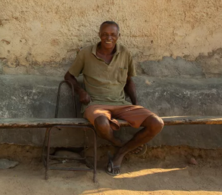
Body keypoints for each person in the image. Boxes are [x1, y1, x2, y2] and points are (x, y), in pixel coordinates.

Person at [63, 21, 164, 176]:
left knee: (157, 123)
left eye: (112, 35)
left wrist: (136, 105)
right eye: (104, 34)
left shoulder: (125, 54)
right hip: (95, 105)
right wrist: (80, 91)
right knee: (102, 124)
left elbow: (129, 81)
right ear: (99, 35)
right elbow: (69, 76)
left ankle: (120, 153)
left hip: (121, 104)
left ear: (118, 36)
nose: (108, 38)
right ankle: (119, 144)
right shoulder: (85, 54)